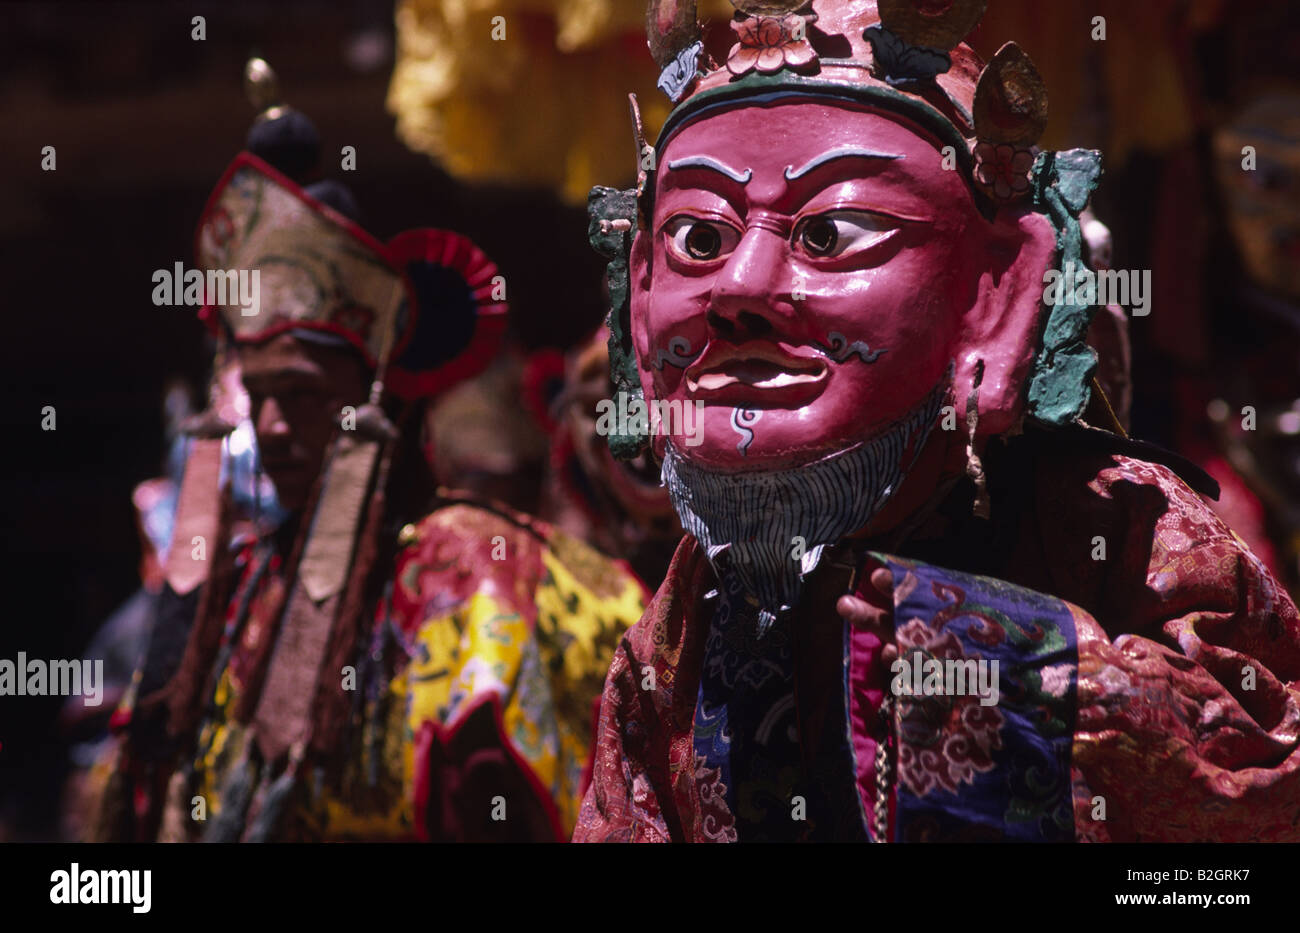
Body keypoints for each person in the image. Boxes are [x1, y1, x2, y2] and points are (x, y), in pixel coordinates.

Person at [575, 0, 1300, 842]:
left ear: (995, 296)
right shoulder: (686, 617)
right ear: (639, 296)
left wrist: (1037, 673)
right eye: (699, 238)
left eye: (832, 232)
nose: (737, 292)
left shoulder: (1119, 527)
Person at [88, 60, 645, 843]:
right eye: (262, 395)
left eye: (308, 396)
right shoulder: (242, 587)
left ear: (380, 397)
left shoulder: (489, 580)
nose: (276, 426)